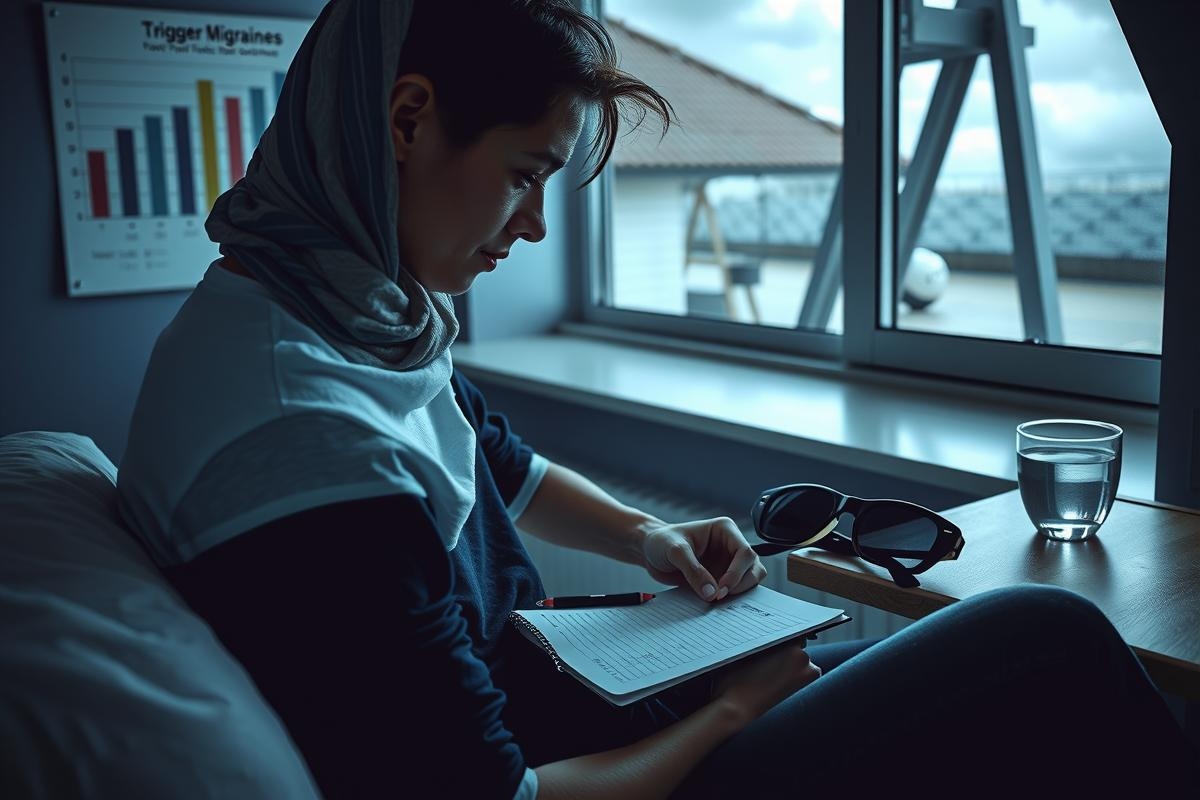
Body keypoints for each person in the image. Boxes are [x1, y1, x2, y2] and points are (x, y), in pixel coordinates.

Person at [116, 0, 1197, 797]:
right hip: (606, 770)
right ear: (406, 119)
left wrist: (650, 535)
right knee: (1042, 638)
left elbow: (496, 461)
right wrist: (735, 706)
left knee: (975, 682)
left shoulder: (326, 310)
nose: (533, 225)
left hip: (576, 697)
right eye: (526, 172)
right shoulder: (309, 448)